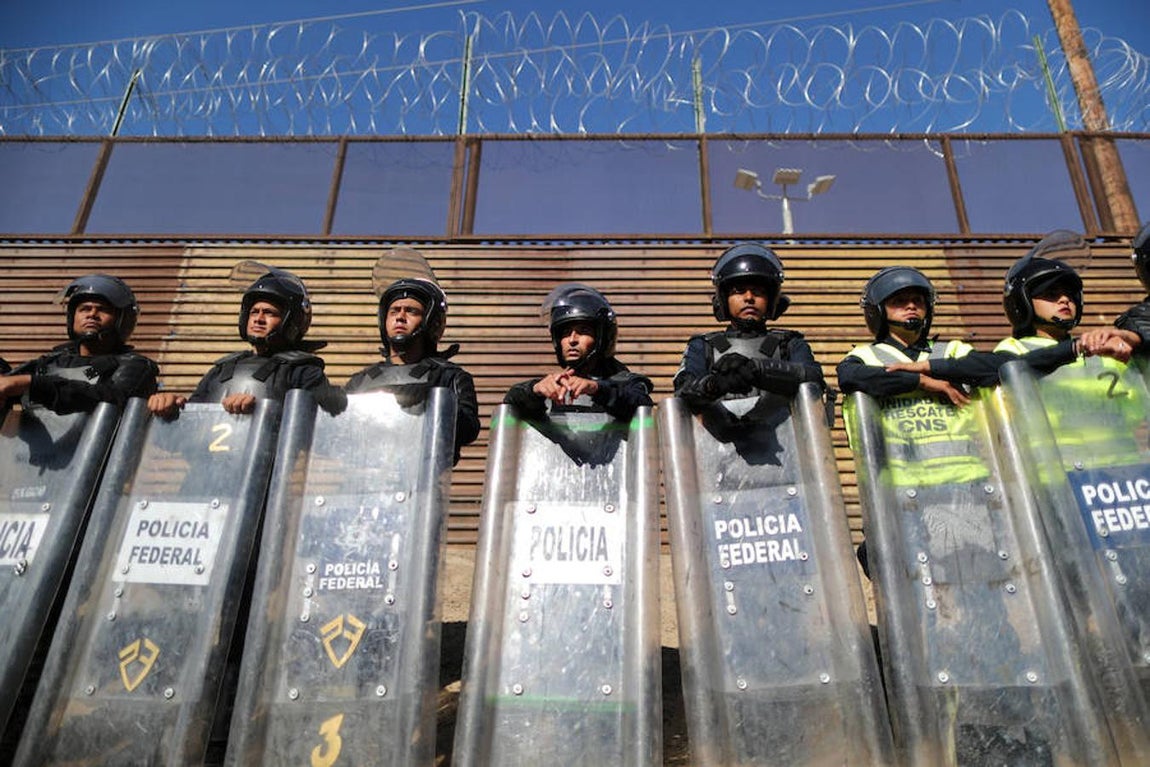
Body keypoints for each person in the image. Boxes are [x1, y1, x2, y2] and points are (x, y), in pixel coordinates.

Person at [148, 267, 344, 418]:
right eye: (253, 312)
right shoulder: (224, 368)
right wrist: (171, 408)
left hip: (270, 468)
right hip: (205, 466)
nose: (258, 319)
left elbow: (326, 416)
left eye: (269, 313)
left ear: (291, 321)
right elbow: (191, 424)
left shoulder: (302, 370)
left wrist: (261, 411)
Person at [345, 276, 480, 464]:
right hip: (363, 481)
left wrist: (430, 403)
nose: (400, 317)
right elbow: (339, 434)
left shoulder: (449, 376)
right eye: (394, 311)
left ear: (431, 321)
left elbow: (468, 429)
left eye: (411, 311)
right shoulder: (361, 381)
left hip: (423, 482)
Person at [673, 242, 823, 410]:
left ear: (771, 300)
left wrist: (758, 370)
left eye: (758, 291)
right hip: (717, 434)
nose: (749, 297)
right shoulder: (704, 345)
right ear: (724, 299)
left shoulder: (789, 343)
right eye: (739, 291)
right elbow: (683, 389)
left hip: (785, 435)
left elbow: (813, 378)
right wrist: (715, 384)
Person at [0, 273, 158, 414]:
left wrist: (32, 384)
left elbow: (108, 397)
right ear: (71, 317)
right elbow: (8, 383)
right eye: (84, 309)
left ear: (122, 320)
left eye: (103, 309)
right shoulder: (51, 362)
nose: (92, 314)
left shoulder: (134, 365)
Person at [503, 283, 653, 422]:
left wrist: (596, 388)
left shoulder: (628, 383)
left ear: (601, 338)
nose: (572, 340)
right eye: (566, 333)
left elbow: (640, 403)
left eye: (583, 331)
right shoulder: (557, 386)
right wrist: (535, 389)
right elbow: (511, 403)